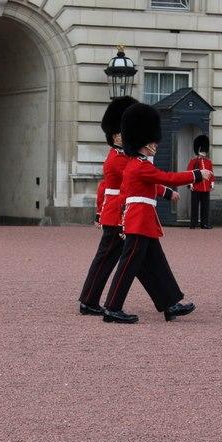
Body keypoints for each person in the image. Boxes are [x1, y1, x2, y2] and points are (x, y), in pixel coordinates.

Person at [102, 103, 212, 324]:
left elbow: (124, 195)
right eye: (152, 141)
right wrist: (197, 174)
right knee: (128, 266)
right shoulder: (140, 165)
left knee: (157, 263)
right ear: (145, 143)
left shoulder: (136, 163)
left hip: (142, 221)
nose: (156, 144)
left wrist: (124, 219)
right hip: (138, 222)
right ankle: (112, 307)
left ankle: (170, 303)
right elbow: (168, 178)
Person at [78, 96, 139, 315]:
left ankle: (89, 300)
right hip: (117, 214)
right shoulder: (118, 159)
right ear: (116, 135)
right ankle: (89, 301)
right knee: (105, 259)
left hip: (114, 212)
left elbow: (102, 188)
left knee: (109, 259)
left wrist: (98, 212)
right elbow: (131, 183)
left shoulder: (118, 155)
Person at [187, 134, 215, 229]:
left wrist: (212, 182)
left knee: (205, 207)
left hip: (205, 187)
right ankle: (193, 223)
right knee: (194, 206)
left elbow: (211, 173)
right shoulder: (194, 161)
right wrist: (190, 183)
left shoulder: (208, 162)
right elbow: (189, 173)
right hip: (196, 187)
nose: (204, 152)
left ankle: (204, 223)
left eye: (204, 150)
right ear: (199, 150)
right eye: (202, 150)